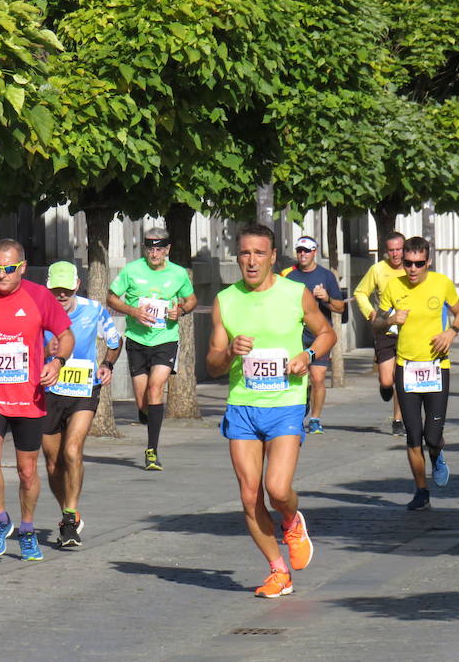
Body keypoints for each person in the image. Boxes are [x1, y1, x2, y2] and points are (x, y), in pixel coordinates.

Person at [206, 223, 336, 598]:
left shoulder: (297, 294)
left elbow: (327, 334)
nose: (251, 260)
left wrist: (307, 356)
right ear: (237, 256)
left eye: (259, 253)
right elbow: (213, 364)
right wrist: (229, 352)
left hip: (286, 404)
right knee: (249, 496)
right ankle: (278, 571)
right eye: (245, 253)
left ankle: (292, 521)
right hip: (243, 405)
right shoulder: (226, 300)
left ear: (273, 256)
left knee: (277, 489)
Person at [0, 240, 74, 560]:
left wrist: (57, 362)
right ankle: (0, 518)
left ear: (21, 267)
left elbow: (65, 335)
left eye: (7, 269)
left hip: (28, 398)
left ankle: (28, 529)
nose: (0, 275)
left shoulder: (39, 296)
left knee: (27, 472)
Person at [374, 236, 459, 511]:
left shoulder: (442, 283)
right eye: (408, 263)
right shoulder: (394, 286)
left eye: (418, 264)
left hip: (437, 367)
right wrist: (390, 320)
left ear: (428, 262)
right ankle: (421, 491)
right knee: (414, 435)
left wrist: (451, 331)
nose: (412, 269)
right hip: (407, 368)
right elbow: (376, 325)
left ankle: (437, 454)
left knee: (432, 436)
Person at [41, 261, 122, 548]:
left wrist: (107, 365)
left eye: (66, 290)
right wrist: (43, 351)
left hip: (83, 390)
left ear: (77, 285)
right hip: (48, 391)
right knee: (53, 463)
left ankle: (70, 517)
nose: (61, 296)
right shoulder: (39, 311)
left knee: (72, 450)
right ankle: (67, 510)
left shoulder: (93, 310)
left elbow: (115, 341)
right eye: (56, 290)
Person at [107, 227, 197, 471]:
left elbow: (191, 300)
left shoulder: (178, 273)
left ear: (167, 250)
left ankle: (152, 451)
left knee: (156, 388)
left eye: (159, 249)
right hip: (137, 340)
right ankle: (146, 415)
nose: (154, 254)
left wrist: (181, 310)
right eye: (150, 249)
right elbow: (111, 297)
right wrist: (133, 311)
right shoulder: (132, 270)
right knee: (142, 400)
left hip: (165, 339)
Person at [280, 235, 344, 434]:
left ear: (314, 252)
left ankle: (315, 418)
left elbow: (340, 307)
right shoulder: (288, 275)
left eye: (307, 250)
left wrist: (326, 298)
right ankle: (299, 409)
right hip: (295, 336)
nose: (303, 254)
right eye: (299, 250)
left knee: (317, 377)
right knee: (298, 378)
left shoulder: (326, 276)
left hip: (318, 336)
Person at [353, 231, 407, 437]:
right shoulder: (378, 270)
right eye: (391, 250)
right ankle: (385, 388)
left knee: (400, 379)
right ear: (386, 251)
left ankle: (397, 420)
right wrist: (370, 312)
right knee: (387, 380)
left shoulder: (412, 269)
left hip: (407, 332)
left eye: (399, 250)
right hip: (385, 329)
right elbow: (360, 292)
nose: (395, 255)